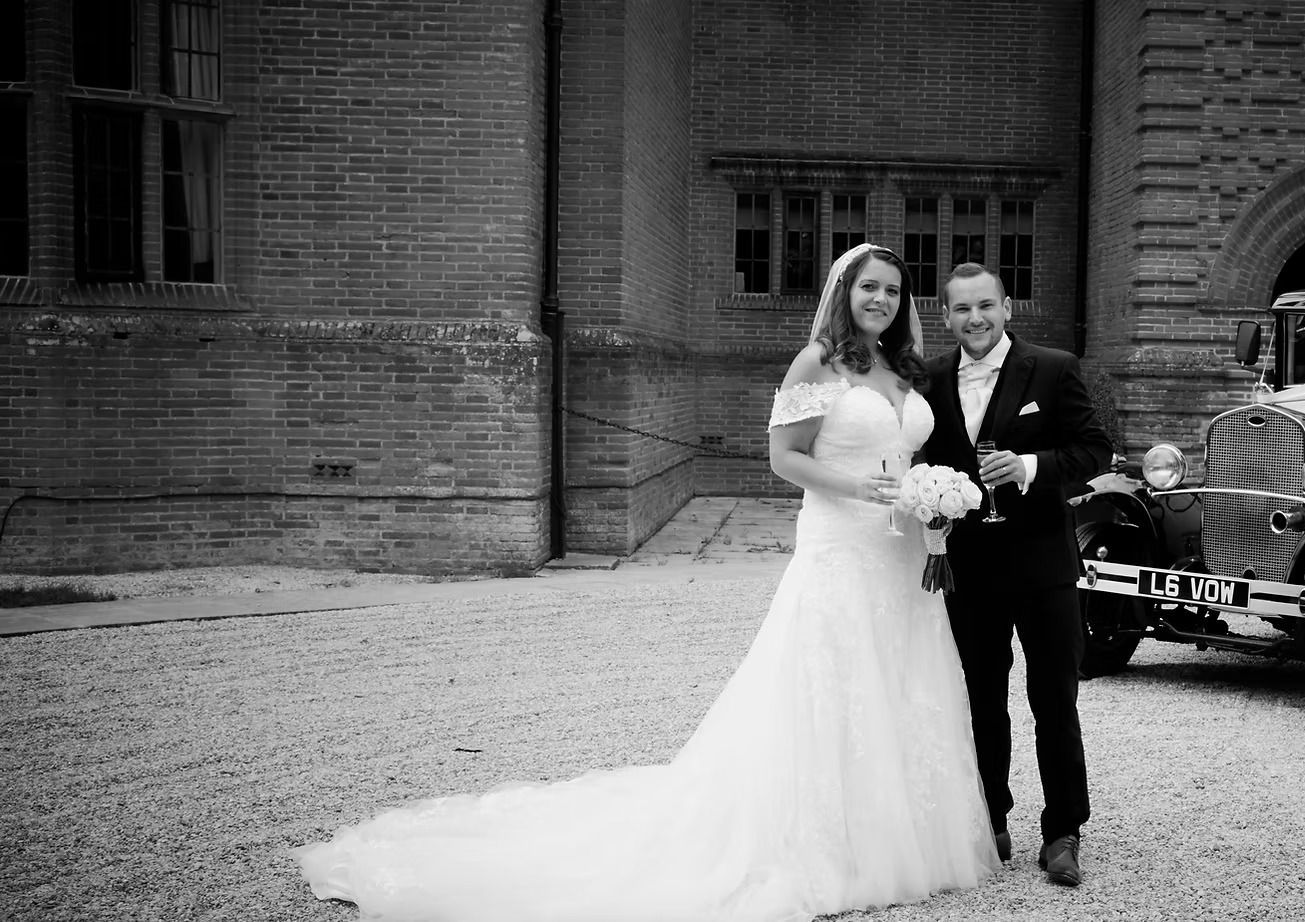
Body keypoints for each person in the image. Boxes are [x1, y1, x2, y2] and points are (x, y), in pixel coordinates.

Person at [292, 243, 999, 921]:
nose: (880, 298)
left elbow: (903, 450)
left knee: (899, 683)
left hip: (902, 554)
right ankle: (826, 848)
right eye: (867, 285)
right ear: (843, 293)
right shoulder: (817, 361)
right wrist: (857, 489)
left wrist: (925, 500)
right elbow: (783, 457)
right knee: (834, 687)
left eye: (892, 289)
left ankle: (900, 838)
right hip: (839, 547)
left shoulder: (900, 366)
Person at [920, 262, 1113, 887]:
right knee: (980, 698)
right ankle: (992, 817)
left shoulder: (1053, 369)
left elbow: (1094, 451)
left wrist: (1030, 465)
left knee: (1054, 697)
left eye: (986, 306)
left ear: (1007, 308)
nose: (974, 319)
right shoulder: (930, 379)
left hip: (1043, 566)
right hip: (969, 571)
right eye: (960, 310)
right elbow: (923, 458)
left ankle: (1063, 829)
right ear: (945, 316)